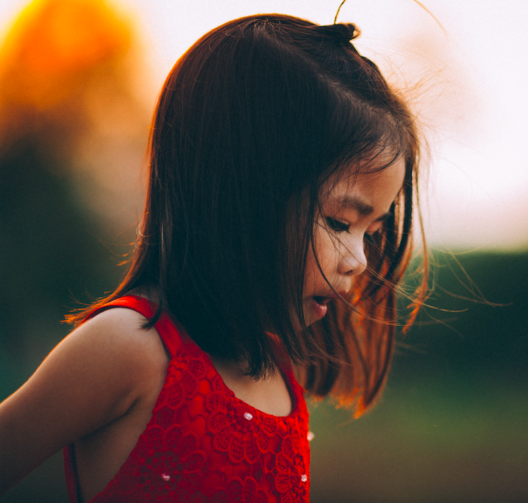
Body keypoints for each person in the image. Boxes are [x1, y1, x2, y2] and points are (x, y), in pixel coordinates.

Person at [0, 13, 427, 502]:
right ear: (242, 195)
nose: (359, 260)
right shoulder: (128, 347)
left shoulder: (278, 372)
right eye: (339, 222)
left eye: (372, 233)